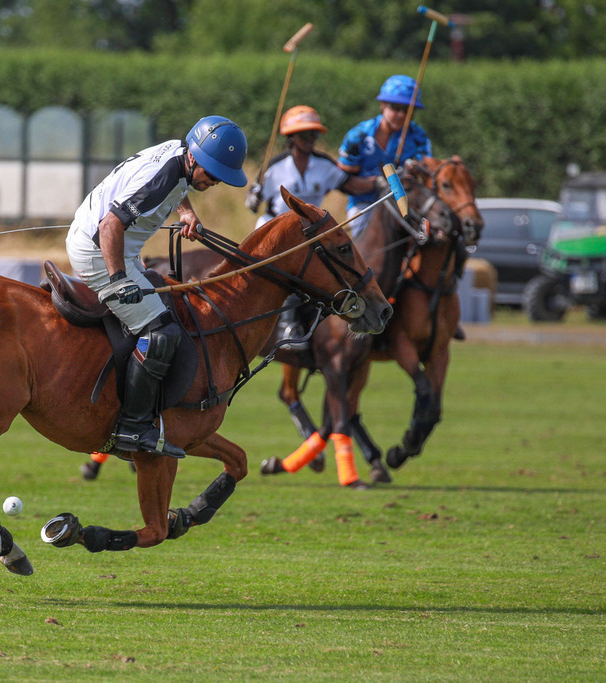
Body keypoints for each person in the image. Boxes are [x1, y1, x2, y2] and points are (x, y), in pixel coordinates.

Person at [66, 115, 247, 459]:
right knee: (161, 332)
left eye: (220, 178)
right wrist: (119, 279)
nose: (213, 182)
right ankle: (132, 428)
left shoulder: (179, 154)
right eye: (211, 174)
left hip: (115, 245)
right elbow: (110, 226)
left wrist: (186, 212)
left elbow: (175, 185)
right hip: (99, 249)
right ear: (194, 158)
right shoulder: (165, 175)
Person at [245, 105, 375, 347]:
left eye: (314, 134)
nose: (311, 139)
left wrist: (381, 181)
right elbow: (254, 199)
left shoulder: (324, 165)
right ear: (291, 137)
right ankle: (287, 324)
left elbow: (353, 185)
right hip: (275, 231)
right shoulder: (276, 166)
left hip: (310, 233)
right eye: (305, 134)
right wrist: (252, 199)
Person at [338, 74, 433, 238]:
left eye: (408, 111)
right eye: (396, 107)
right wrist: (377, 183)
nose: (402, 115)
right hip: (365, 205)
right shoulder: (358, 137)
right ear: (382, 105)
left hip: (405, 207)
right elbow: (342, 181)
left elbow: (426, 173)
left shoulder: (418, 137)